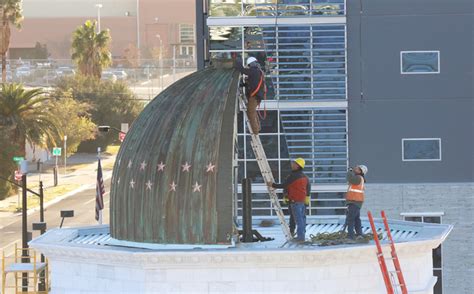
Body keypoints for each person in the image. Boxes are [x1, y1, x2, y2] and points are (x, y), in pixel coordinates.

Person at [267, 158, 310, 242]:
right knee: (302, 219)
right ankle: (301, 236)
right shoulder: (305, 177)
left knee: (298, 220)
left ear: (298, 166)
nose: (292, 164)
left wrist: (272, 185)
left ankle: (300, 238)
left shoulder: (293, 176)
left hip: (295, 201)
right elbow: (307, 188)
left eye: (294, 163)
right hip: (301, 201)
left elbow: (284, 185)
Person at [234, 56, 266, 135]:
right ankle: (257, 128)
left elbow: (243, 71)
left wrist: (238, 63)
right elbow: (252, 84)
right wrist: (244, 84)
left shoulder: (254, 71)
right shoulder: (258, 72)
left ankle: (255, 131)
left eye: (249, 65)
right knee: (253, 112)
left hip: (254, 96)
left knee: (250, 112)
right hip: (256, 96)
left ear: (251, 64)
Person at [345, 164, 368, 240]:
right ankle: (359, 234)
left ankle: (350, 236)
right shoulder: (359, 178)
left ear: (361, 172)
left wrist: (349, 171)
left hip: (355, 201)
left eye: (357, 169)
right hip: (356, 201)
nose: (355, 169)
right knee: (356, 219)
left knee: (350, 219)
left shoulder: (358, 178)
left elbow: (350, 178)